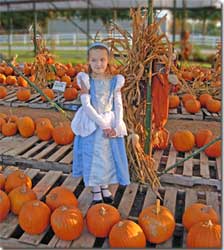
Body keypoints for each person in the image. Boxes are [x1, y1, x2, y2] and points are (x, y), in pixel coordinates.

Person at [71, 42, 130, 205]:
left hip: (110, 123)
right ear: (88, 62)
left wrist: (117, 125)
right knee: (93, 156)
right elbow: (87, 106)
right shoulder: (86, 80)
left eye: (102, 60)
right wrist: (103, 124)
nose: (98, 64)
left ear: (108, 60)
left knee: (107, 157)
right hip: (94, 123)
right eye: (94, 60)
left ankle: (105, 186)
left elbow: (118, 104)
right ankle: (96, 189)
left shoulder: (115, 81)